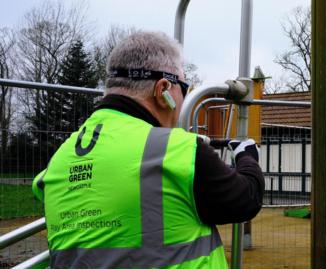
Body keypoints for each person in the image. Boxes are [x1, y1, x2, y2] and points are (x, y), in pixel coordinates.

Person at [32, 31, 264, 269]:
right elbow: (246, 199)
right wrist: (248, 157)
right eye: (184, 88)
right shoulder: (177, 150)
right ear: (164, 89)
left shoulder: (59, 159)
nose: (184, 98)